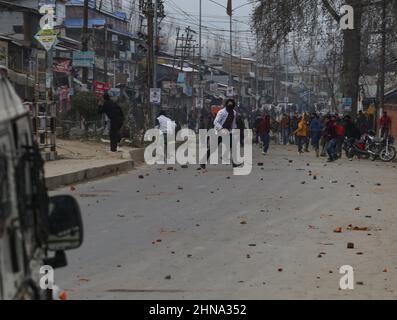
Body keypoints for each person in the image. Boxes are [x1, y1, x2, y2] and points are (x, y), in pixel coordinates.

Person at [201, 99, 240, 169]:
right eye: (229, 105)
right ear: (226, 105)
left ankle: (234, 163)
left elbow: (233, 124)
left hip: (228, 132)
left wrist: (233, 131)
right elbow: (215, 122)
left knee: (234, 147)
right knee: (213, 148)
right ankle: (203, 162)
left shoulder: (234, 112)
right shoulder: (221, 112)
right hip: (219, 132)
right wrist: (221, 129)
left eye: (232, 105)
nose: (230, 106)